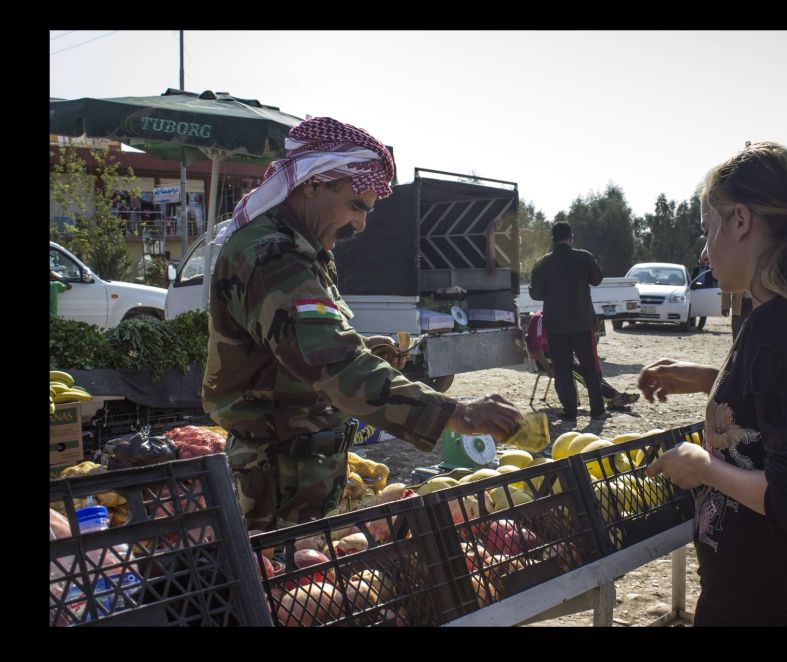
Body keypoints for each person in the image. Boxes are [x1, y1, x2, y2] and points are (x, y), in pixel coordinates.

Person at [202, 116, 523, 531]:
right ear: (313, 184)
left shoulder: (301, 249)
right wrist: (454, 413)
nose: (361, 224)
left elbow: (296, 350)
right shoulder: (273, 256)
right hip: (276, 482)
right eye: (356, 205)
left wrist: (360, 349)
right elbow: (331, 365)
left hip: (298, 470)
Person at [637, 141, 787, 626]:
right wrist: (708, 379)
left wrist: (703, 467)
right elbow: (782, 406)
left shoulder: (775, 326)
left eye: (707, 229)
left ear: (741, 220)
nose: (703, 250)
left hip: (760, 606)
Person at [528, 222, 606, 423]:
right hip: (582, 322)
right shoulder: (584, 257)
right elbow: (597, 279)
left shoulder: (543, 263)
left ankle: (570, 411)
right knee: (590, 366)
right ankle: (597, 410)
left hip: (556, 325)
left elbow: (535, 293)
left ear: (552, 240)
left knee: (562, 369)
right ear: (571, 237)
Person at [526, 311, 639, 410]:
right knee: (575, 369)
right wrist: (547, 368)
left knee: (587, 369)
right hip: (544, 359)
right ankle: (614, 397)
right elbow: (535, 349)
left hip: (562, 355)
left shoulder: (563, 317)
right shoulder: (539, 319)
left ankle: (613, 397)